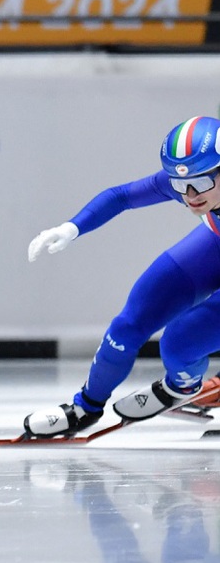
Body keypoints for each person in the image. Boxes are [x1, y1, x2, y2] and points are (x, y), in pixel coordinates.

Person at [24, 115, 220, 436]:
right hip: (214, 245)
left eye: (200, 183)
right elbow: (122, 196)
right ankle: (85, 407)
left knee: (178, 344)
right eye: (179, 183)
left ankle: (182, 388)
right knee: (128, 326)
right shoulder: (191, 182)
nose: (190, 195)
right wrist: (72, 227)